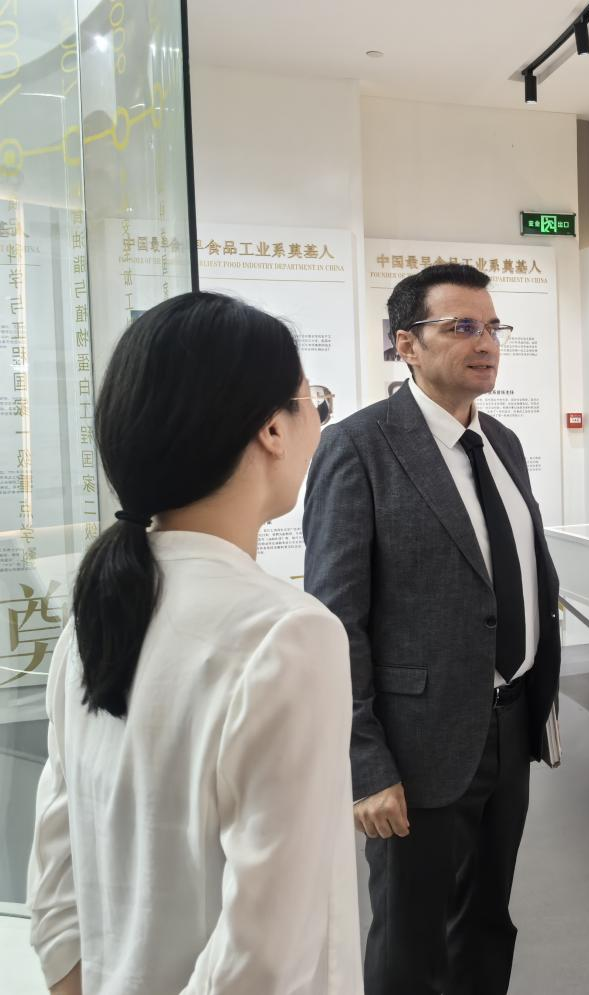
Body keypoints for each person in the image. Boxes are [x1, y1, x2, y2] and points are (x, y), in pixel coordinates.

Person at [27, 292, 359, 994]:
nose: (318, 425)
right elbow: (266, 959)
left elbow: (55, 892)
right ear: (272, 428)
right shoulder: (290, 634)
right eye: (315, 403)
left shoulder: (95, 616)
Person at [303, 264, 561, 995]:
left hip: (508, 726)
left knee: (485, 920)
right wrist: (365, 763)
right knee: (410, 940)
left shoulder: (502, 442)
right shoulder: (358, 447)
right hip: (414, 745)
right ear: (406, 345)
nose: (486, 343)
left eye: (492, 327)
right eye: (462, 327)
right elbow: (336, 621)